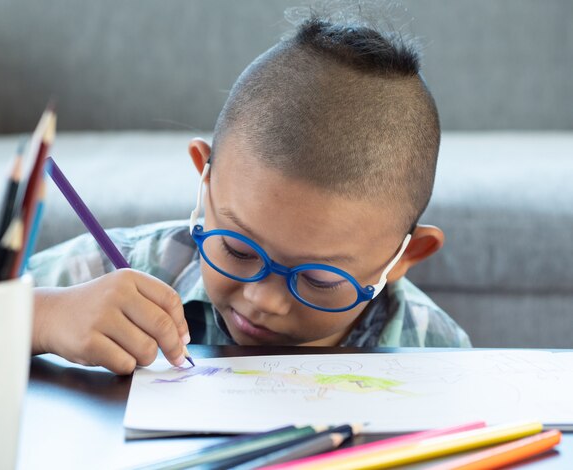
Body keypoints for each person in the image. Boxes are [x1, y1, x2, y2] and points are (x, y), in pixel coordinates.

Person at [28, 12, 471, 375]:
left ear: (405, 256)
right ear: (205, 177)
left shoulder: (439, 351)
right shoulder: (100, 276)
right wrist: (40, 318)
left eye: (319, 279)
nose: (263, 301)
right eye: (237, 249)